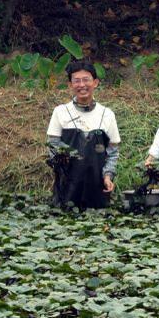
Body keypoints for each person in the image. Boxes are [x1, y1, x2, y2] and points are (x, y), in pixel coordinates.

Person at [46, 60, 120, 208]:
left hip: (97, 191)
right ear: (70, 85)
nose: (81, 85)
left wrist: (108, 176)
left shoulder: (107, 114)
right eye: (76, 81)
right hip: (66, 190)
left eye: (86, 80)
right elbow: (52, 145)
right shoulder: (60, 112)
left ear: (95, 83)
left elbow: (113, 152)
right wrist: (62, 161)